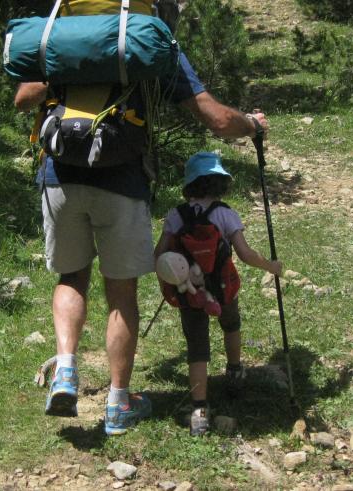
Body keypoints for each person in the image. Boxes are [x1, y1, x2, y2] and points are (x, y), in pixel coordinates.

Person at [14, 52, 269, 436]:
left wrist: (70, 73)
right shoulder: (147, 40)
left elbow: (23, 99)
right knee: (121, 294)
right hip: (122, 183)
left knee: (71, 278)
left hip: (60, 176)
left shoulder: (60, 38)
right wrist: (251, 124)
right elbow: (216, 118)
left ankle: (65, 370)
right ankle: (118, 405)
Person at [153, 151, 282, 436]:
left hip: (191, 293)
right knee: (231, 324)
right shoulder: (226, 214)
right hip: (223, 288)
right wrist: (271, 266)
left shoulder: (176, 215)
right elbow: (245, 254)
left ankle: (199, 408)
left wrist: (178, 275)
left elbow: (158, 256)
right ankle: (235, 370)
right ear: (221, 183)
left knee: (197, 346)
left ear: (190, 185)